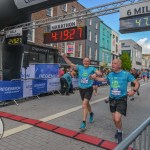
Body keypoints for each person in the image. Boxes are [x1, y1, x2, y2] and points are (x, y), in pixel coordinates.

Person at [94, 59, 140, 143]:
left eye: (115, 63)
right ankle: (119, 129)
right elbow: (103, 80)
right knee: (114, 119)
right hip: (112, 98)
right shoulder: (110, 74)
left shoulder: (126, 74)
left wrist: (134, 91)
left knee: (117, 118)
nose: (112, 65)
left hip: (122, 99)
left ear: (119, 65)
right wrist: (95, 78)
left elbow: (136, 83)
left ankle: (119, 133)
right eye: (112, 63)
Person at [61, 53, 101, 130]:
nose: (86, 62)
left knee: (84, 104)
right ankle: (91, 113)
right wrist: (64, 58)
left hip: (88, 89)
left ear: (89, 62)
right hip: (81, 89)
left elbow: (99, 73)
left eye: (87, 61)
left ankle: (83, 123)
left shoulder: (92, 68)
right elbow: (71, 64)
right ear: (83, 62)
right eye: (85, 61)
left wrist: (95, 75)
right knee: (86, 103)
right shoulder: (79, 67)